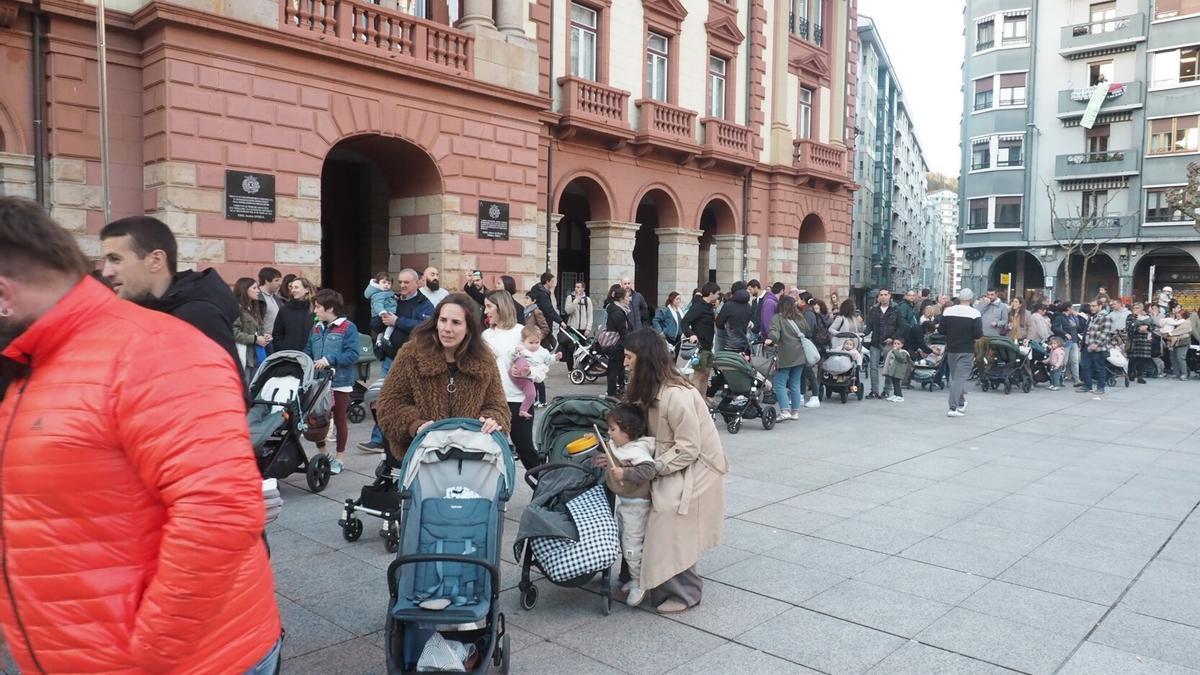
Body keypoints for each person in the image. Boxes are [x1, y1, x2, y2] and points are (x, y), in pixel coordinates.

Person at [0, 197, 282, 673]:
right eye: (102, 258)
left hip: (178, 658)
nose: (107, 270)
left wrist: (151, 653)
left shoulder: (153, 345)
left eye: (115, 258)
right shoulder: (33, 360)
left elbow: (219, 506)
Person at [618, 329, 727, 614]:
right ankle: (645, 578)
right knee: (639, 506)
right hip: (671, 460)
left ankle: (687, 591)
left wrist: (653, 468)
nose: (626, 363)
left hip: (698, 467)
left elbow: (689, 448)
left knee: (666, 512)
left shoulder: (676, 396)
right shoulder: (651, 390)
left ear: (645, 361)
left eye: (630, 358)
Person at [99, 215, 241, 376]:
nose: (106, 272)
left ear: (156, 260)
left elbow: (225, 393)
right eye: (105, 261)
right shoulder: (141, 313)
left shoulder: (197, 316)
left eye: (115, 259)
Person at [375, 293, 509, 459]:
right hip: (422, 457)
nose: (447, 329)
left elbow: (498, 406)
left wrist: (493, 419)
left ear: (469, 328)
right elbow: (389, 405)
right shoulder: (411, 354)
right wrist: (416, 426)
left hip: (471, 457)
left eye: (456, 322)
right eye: (443, 320)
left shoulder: (484, 360)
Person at [594, 403, 657, 607]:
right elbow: (616, 460)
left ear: (627, 430)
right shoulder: (621, 447)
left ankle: (640, 582)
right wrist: (607, 460)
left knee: (632, 545)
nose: (609, 434)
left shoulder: (637, 450)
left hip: (638, 506)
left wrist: (625, 473)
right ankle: (635, 577)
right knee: (626, 541)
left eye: (613, 429)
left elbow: (648, 470)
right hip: (626, 503)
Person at [306, 289, 362, 475]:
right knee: (315, 420)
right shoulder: (316, 328)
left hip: (340, 382)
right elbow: (308, 350)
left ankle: (339, 458)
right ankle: (324, 454)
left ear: (330, 308)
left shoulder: (348, 327)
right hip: (317, 382)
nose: (315, 310)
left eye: (318, 307)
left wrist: (329, 359)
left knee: (339, 420)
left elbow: (353, 354)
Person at [483, 290, 539, 470]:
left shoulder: (520, 332)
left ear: (502, 307)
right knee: (490, 450)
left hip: (519, 401)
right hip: (493, 402)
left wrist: (527, 372)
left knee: (525, 448)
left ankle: (546, 485)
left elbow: (542, 364)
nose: (485, 311)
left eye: (489, 307)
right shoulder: (485, 335)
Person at [766, 294, 809, 420]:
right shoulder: (800, 318)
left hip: (785, 355)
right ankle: (795, 412)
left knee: (779, 383)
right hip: (800, 354)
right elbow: (807, 330)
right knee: (795, 383)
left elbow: (774, 333)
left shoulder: (778, 318)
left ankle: (784, 411)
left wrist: (770, 340)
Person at [942, 288, 983, 417]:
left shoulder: (948, 311)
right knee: (959, 379)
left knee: (955, 378)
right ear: (971, 299)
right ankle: (953, 407)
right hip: (966, 349)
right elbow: (977, 334)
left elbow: (941, 330)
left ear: (959, 298)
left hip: (951, 349)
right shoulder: (975, 313)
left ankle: (961, 402)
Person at [680, 282, 720, 393]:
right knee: (698, 375)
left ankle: (703, 400)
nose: (718, 296)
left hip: (708, 346)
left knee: (706, 374)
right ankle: (694, 402)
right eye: (717, 294)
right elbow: (684, 322)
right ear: (711, 293)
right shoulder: (698, 307)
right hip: (699, 347)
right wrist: (691, 334)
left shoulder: (710, 307)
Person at [865, 289, 902, 399]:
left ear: (890, 296)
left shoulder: (896, 309)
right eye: (881, 295)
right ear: (878, 297)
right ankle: (874, 390)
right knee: (873, 367)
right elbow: (869, 325)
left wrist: (893, 338)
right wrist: (863, 333)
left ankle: (886, 390)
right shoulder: (874, 309)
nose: (883, 297)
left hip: (889, 343)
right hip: (875, 342)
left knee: (888, 368)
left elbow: (901, 326)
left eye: (885, 295)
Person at [232, 277, 272, 378]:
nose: (258, 291)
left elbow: (258, 329)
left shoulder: (255, 308)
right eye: (254, 288)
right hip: (244, 356)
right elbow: (233, 333)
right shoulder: (237, 309)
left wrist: (264, 336)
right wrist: (255, 339)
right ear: (244, 290)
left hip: (257, 356)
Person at [1081, 299, 1117, 394]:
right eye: (1091, 306)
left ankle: (1101, 388)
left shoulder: (1105, 316)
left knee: (1099, 367)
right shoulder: (1092, 317)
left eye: (1094, 306)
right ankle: (1087, 386)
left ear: (1100, 306)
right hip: (1086, 344)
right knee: (1086, 366)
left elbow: (1105, 332)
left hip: (1098, 347)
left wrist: (1096, 343)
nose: (1091, 308)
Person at [604, 286, 634, 397]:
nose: (629, 299)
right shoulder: (618, 312)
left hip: (617, 344)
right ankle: (612, 393)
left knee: (617, 369)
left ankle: (617, 390)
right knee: (613, 370)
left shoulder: (618, 309)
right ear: (621, 299)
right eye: (627, 297)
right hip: (616, 345)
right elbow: (623, 331)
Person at [273, 276, 316, 352]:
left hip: (311, 355)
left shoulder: (315, 309)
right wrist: (283, 350)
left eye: (296, 287)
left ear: (307, 290)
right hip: (288, 356)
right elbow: (277, 334)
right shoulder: (284, 309)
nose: (293, 290)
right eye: (292, 287)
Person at [716, 281, 753, 353]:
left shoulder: (728, 305)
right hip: (744, 344)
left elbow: (719, 323)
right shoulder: (748, 306)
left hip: (729, 345)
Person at [364, 270, 398, 345]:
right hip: (382, 315)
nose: (386, 285)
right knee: (393, 324)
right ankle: (386, 338)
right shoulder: (379, 294)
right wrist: (382, 311)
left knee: (382, 330)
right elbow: (377, 304)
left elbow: (389, 298)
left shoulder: (386, 293)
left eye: (389, 283)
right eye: (384, 282)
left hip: (382, 315)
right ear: (377, 283)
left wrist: (395, 297)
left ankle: (378, 341)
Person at [1160, 304, 1193, 381]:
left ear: (1183, 315)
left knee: (1180, 357)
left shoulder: (1187, 322)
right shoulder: (1175, 322)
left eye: (1179, 315)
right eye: (1177, 315)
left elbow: (1180, 331)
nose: (1177, 316)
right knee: (1173, 358)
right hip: (1172, 342)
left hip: (1183, 342)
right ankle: (1176, 373)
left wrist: (1170, 334)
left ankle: (1184, 374)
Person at [1127, 302, 1155, 384]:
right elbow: (1128, 328)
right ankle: (1131, 373)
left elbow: (1153, 326)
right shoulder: (1130, 316)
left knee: (1142, 359)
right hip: (1134, 339)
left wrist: (1148, 328)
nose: (1135, 310)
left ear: (1142, 308)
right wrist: (1138, 329)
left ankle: (1140, 376)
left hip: (1144, 340)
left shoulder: (1148, 316)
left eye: (1137, 308)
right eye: (1134, 308)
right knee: (1133, 358)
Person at [258, 266, 284, 344]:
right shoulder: (257, 298)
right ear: (266, 281)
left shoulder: (277, 299)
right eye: (276, 280)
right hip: (263, 341)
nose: (280, 283)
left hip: (276, 340)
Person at [882, 336, 911, 402]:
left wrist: (895, 351)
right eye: (894, 343)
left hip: (899, 371)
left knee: (897, 384)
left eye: (898, 344)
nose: (896, 345)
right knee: (894, 383)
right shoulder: (893, 351)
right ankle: (895, 394)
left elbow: (901, 358)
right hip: (893, 371)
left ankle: (900, 396)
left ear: (902, 345)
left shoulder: (903, 352)